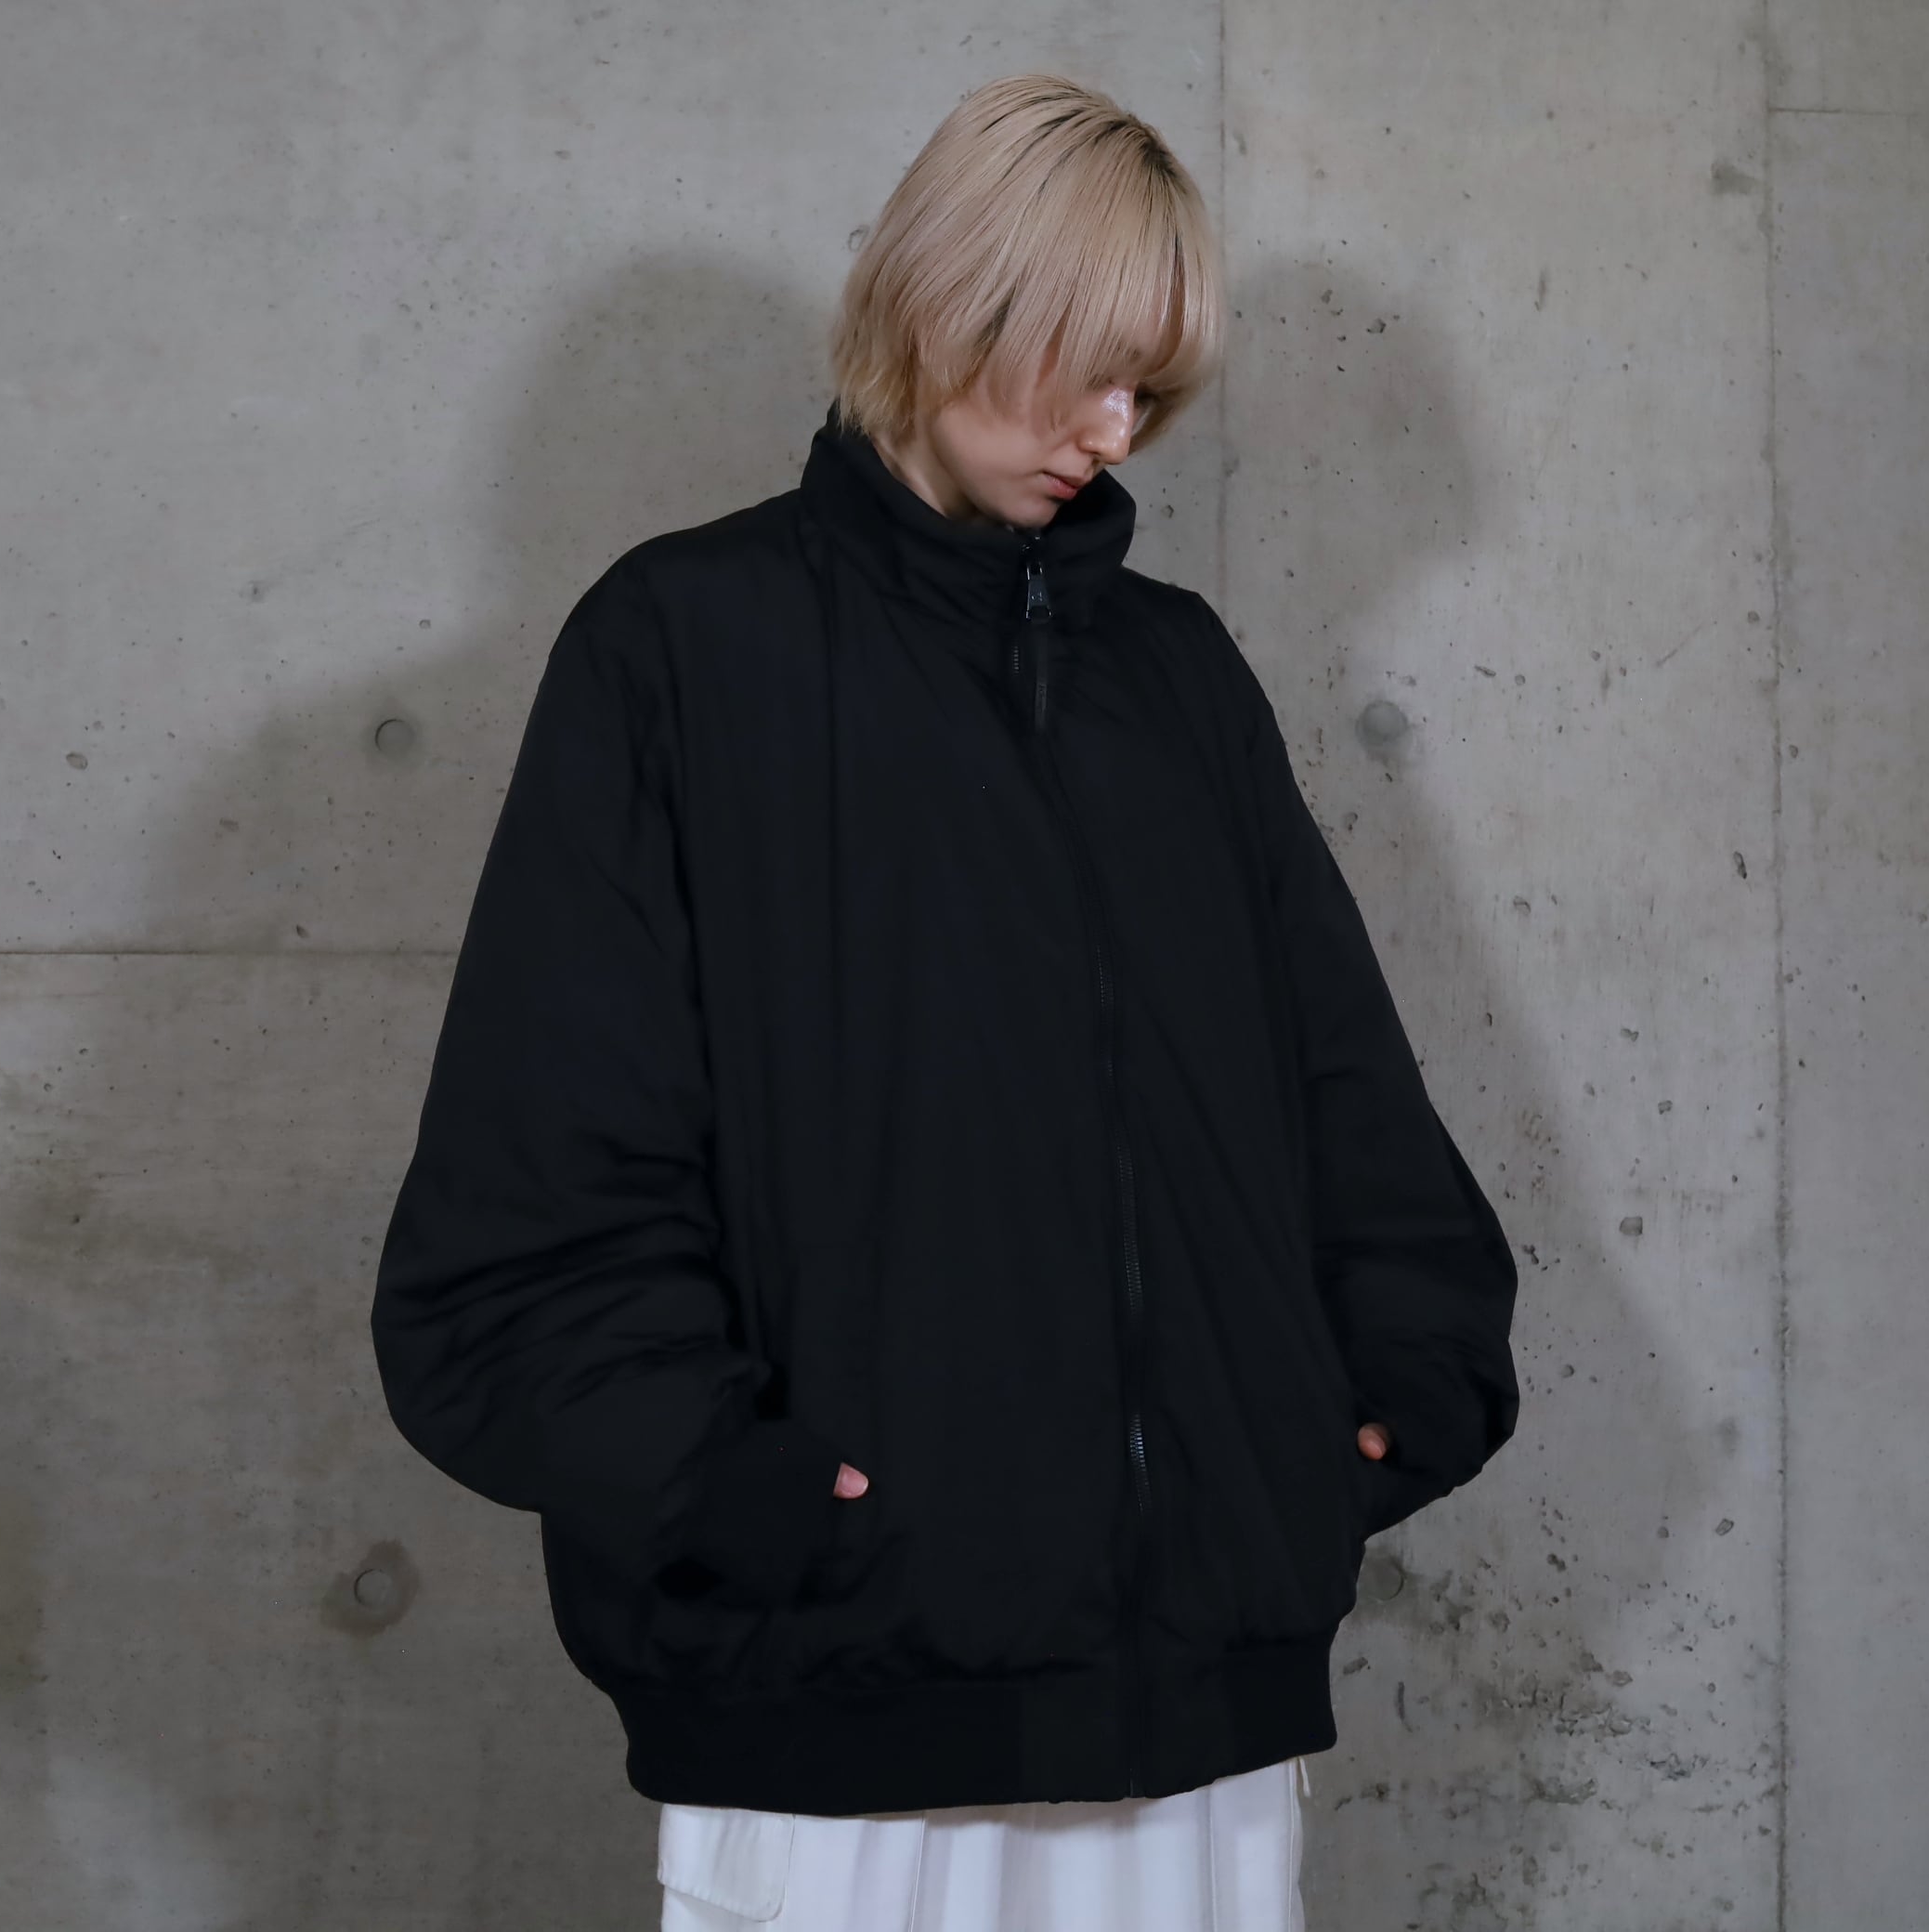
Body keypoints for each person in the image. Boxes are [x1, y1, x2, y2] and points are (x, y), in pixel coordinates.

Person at [369, 72, 1522, 1931]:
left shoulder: (1178, 680)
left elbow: (1339, 1094)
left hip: (1200, 1728)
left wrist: (1385, 1396)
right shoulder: (685, 648)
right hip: (836, 1710)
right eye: (1086, 370)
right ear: (947, 304)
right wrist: (733, 1489)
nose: (1114, 432)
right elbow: (537, 1182)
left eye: (1149, 392)